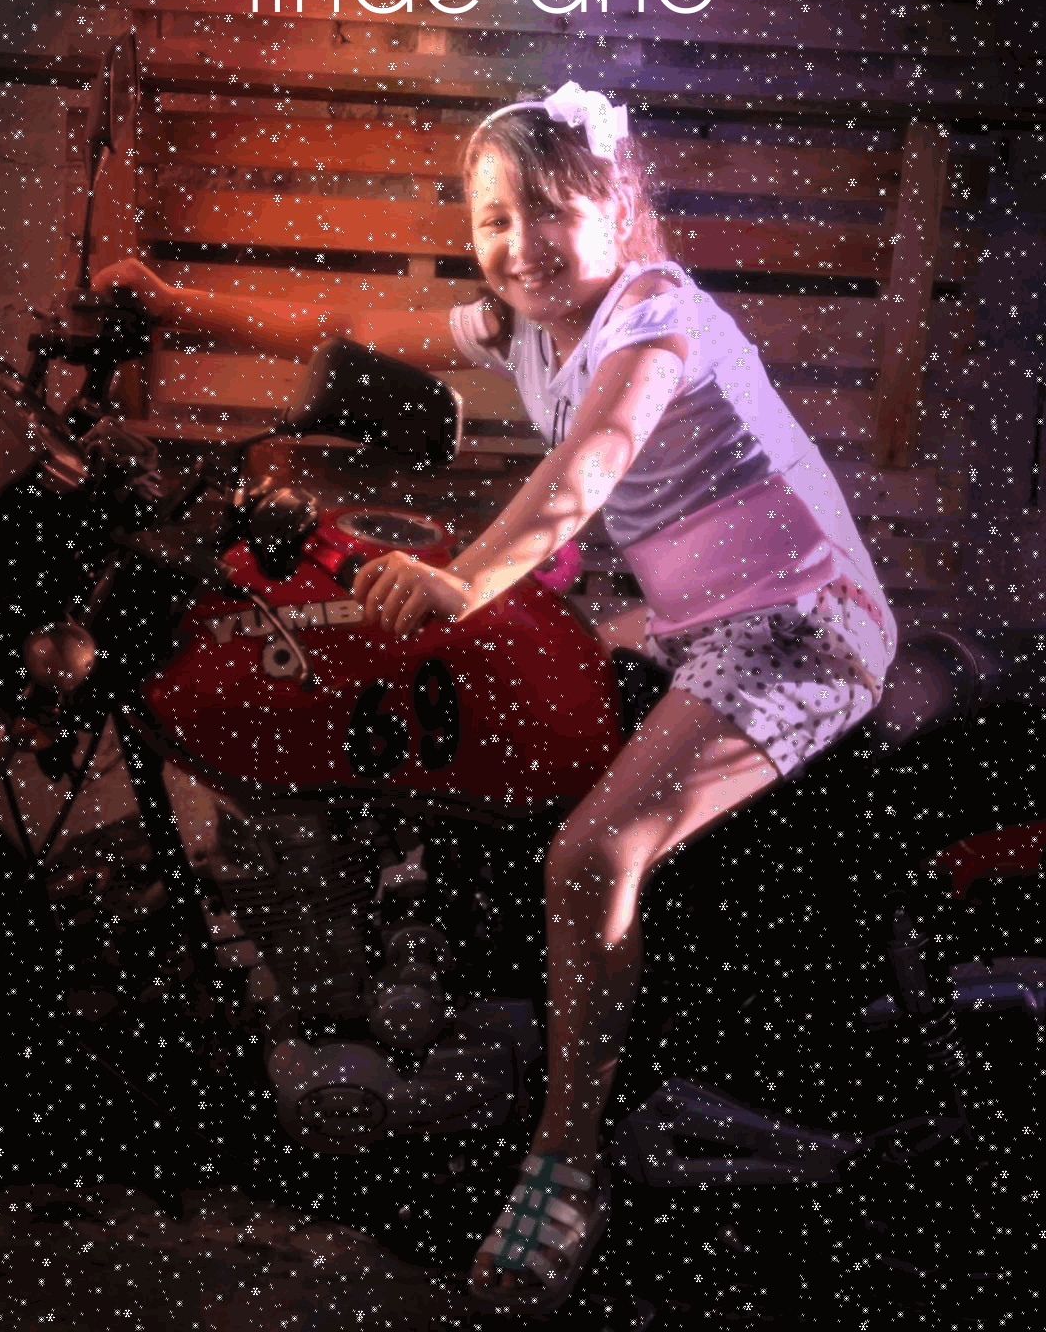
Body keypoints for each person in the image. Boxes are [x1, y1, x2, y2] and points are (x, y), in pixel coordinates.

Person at [93, 82, 897, 1315]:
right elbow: (348, 323)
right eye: (494, 220)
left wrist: (464, 579)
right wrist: (174, 301)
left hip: (800, 625)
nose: (521, 245)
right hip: (689, 620)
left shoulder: (655, 314)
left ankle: (563, 1166)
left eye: (550, 211)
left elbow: (594, 461)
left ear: (618, 205)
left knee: (590, 852)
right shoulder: (520, 325)